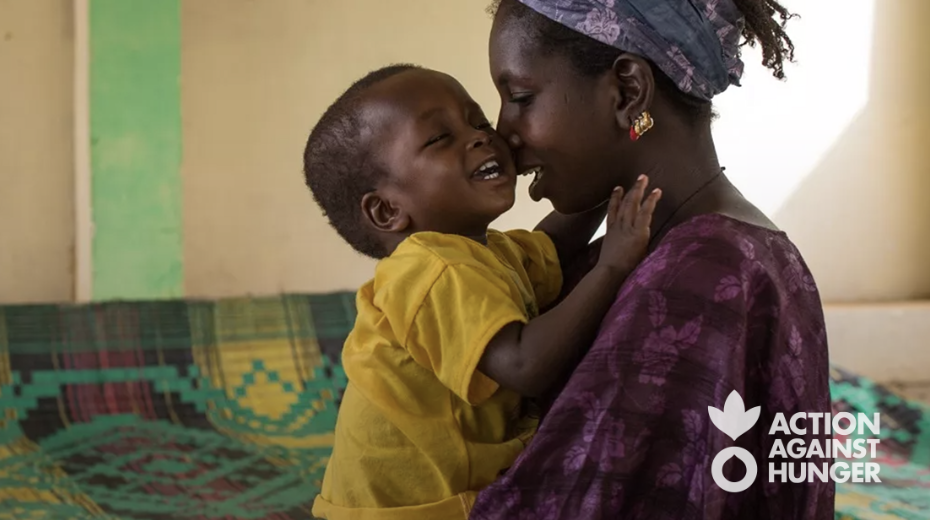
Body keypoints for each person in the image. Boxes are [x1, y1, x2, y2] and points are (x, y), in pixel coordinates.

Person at [468, 0, 835, 518]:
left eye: (521, 97)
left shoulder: (695, 275)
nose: (502, 132)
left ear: (628, 92)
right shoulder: (700, 245)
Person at [302, 64, 662, 519]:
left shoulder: (487, 254)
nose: (481, 137)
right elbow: (524, 365)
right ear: (387, 209)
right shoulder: (428, 269)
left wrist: (622, 150)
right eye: (439, 138)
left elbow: (558, 242)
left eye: (478, 121)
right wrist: (611, 267)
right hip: (402, 511)